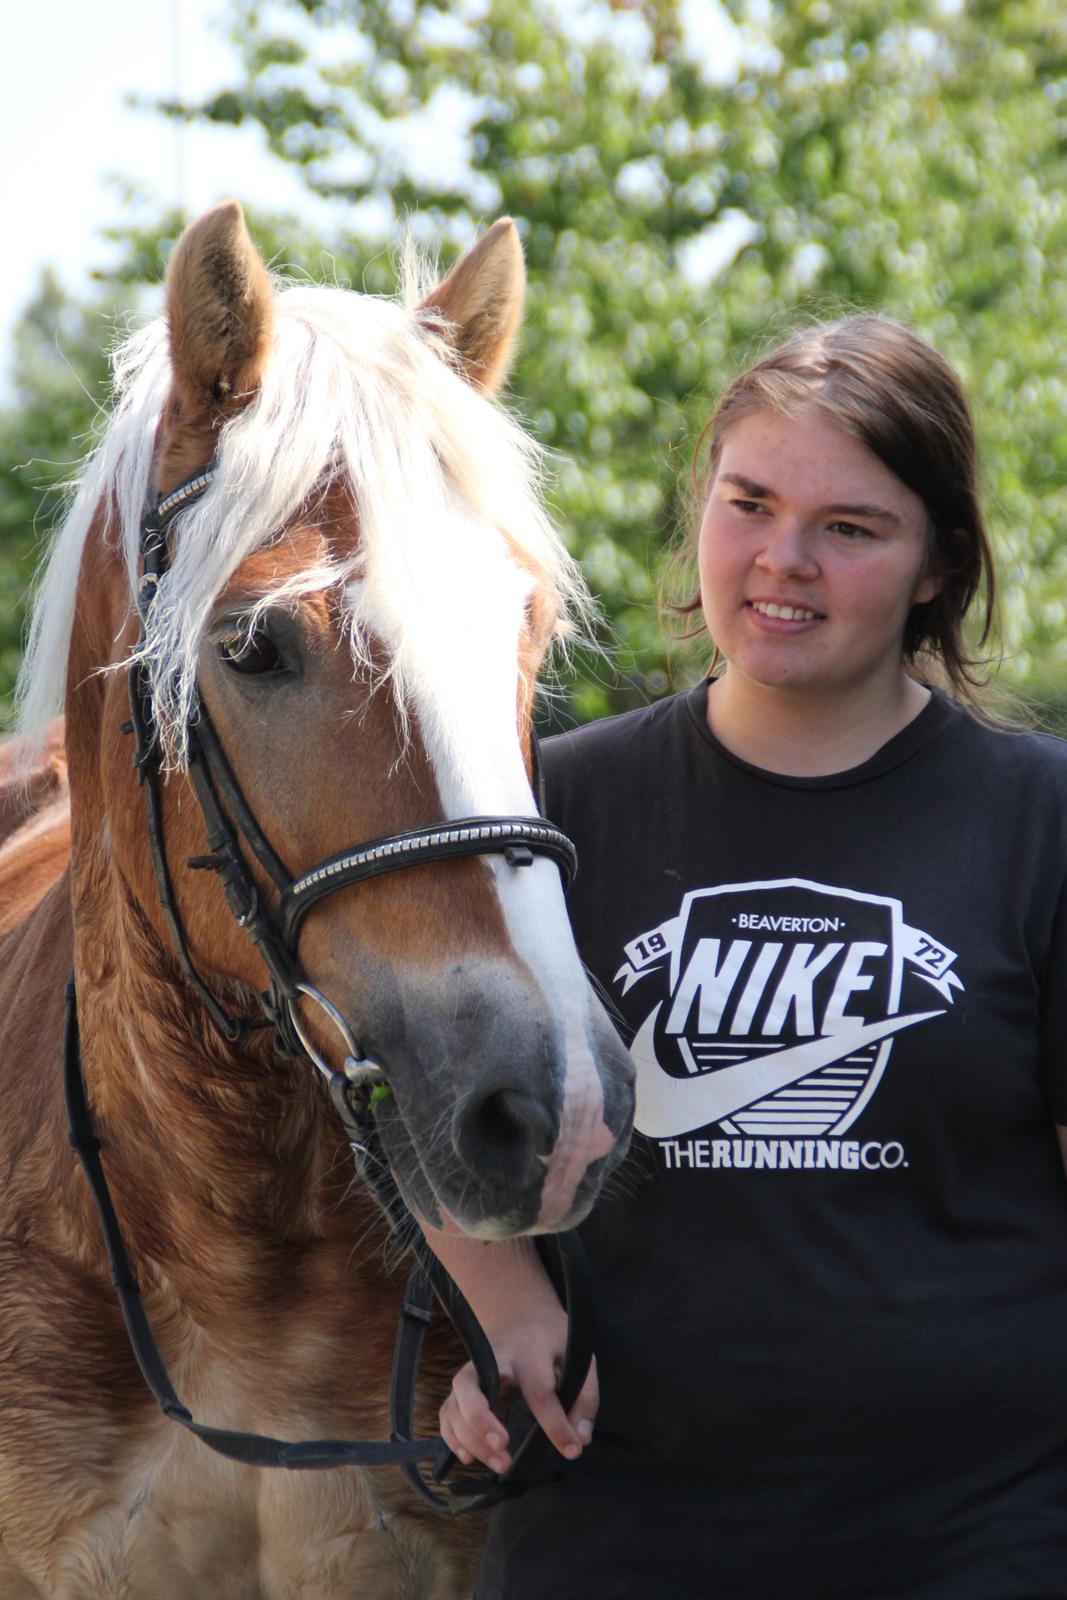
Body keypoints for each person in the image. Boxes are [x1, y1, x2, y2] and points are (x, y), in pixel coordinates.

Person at [424, 315, 1067, 1598]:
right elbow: (419, 1092)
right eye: (749, 502)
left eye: (849, 526)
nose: (783, 560)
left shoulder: (1037, 821)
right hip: (608, 1537)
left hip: (970, 1538)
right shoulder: (543, 807)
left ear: (936, 564)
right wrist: (505, 1313)